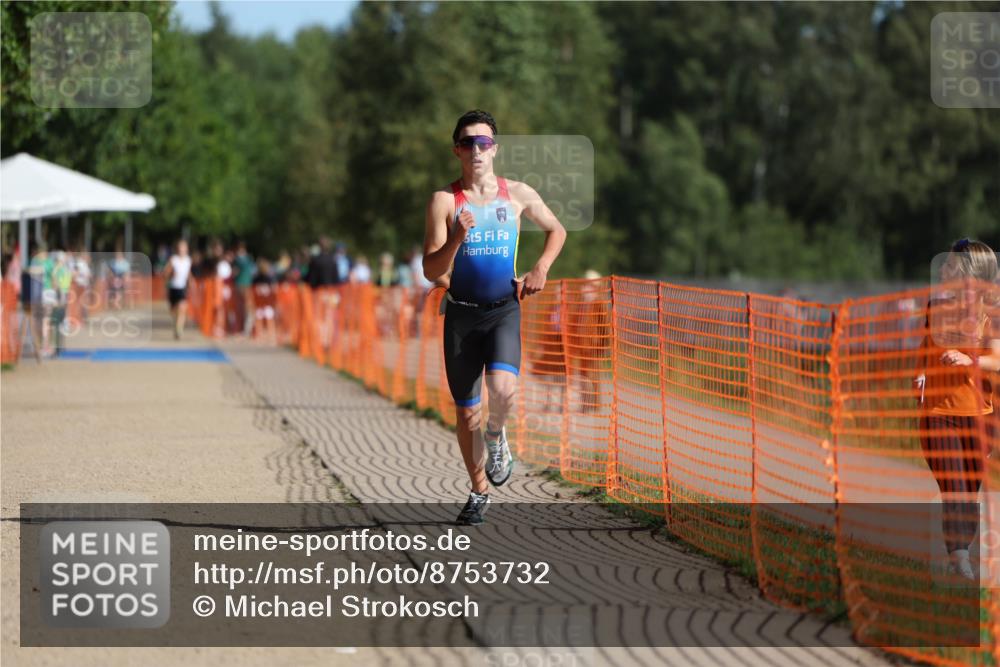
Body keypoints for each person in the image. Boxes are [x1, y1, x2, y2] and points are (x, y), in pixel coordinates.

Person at [422, 109, 567, 525]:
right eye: (468, 143)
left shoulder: (517, 193)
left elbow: (557, 230)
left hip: (504, 309)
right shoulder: (444, 201)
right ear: (457, 150)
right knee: (466, 412)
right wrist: (456, 238)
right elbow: (432, 269)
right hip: (462, 317)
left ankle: (496, 434)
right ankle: (479, 490)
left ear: (495, 149)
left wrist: (540, 268)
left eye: (484, 143)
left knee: (502, 392)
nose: (477, 150)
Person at [916, 238, 999, 579]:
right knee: (954, 484)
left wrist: (969, 359)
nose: (945, 269)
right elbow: (925, 349)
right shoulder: (936, 307)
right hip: (939, 412)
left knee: (970, 488)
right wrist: (920, 374)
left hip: (982, 416)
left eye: (952, 264)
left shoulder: (992, 313)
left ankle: (961, 553)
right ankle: (959, 560)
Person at [164, 239, 192, 340]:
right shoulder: (173, 259)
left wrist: (191, 281)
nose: (182, 249)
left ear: (187, 249)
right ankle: (176, 324)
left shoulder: (188, 260)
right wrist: (171, 274)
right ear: (178, 249)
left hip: (182, 287)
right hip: (173, 287)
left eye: (184, 247)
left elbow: (188, 273)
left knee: (182, 307)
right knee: (173, 310)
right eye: (181, 247)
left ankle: (179, 330)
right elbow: (165, 273)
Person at [233, 241, 256, 335]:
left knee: (245, 306)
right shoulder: (248, 259)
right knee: (245, 306)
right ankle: (245, 327)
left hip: (243, 284)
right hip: (245, 284)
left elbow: (235, 272)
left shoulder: (239, 260)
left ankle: (245, 328)